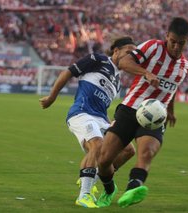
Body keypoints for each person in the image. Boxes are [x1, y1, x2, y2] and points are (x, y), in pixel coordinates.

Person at [96, 17, 188, 208]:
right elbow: (124, 62)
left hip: (156, 116)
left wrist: (170, 111)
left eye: (181, 43)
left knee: (146, 152)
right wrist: (146, 73)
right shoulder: (153, 47)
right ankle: (109, 188)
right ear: (167, 36)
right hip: (130, 108)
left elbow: (171, 90)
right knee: (104, 160)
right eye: (173, 41)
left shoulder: (185, 67)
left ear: (187, 41)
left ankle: (134, 187)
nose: (175, 47)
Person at [39, 36, 137, 208]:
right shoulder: (97, 59)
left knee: (128, 149)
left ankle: (92, 177)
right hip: (81, 113)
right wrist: (52, 97)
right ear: (116, 51)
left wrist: (112, 123)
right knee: (97, 145)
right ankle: (84, 195)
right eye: (129, 52)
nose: (131, 57)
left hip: (101, 119)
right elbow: (68, 72)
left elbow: (102, 106)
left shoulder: (118, 81)